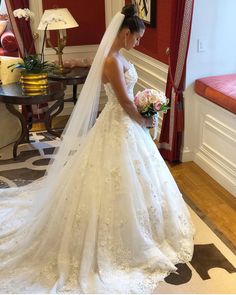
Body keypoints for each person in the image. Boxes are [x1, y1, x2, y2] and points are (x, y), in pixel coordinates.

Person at [0, 4, 194, 293]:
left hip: (122, 123)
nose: (138, 43)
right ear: (125, 32)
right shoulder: (112, 61)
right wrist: (143, 118)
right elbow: (125, 102)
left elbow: (123, 90)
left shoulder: (114, 55)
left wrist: (142, 104)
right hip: (121, 122)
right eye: (137, 38)